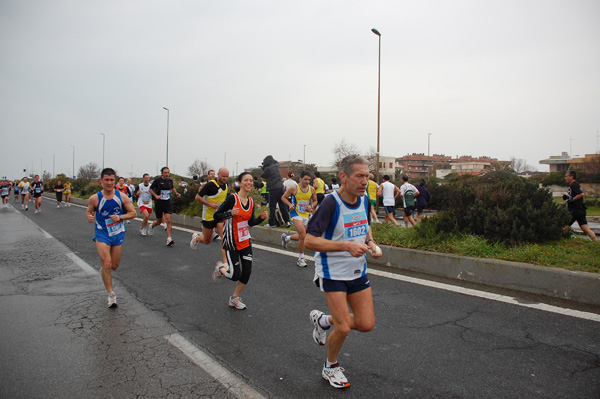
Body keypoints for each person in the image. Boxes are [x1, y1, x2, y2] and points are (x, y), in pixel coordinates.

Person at [304, 155, 381, 389]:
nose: (364, 181)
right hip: (332, 272)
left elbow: (364, 225)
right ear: (344, 176)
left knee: (367, 324)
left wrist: (371, 242)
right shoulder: (330, 203)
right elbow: (309, 240)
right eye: (359, 176)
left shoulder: (365, 200)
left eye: (367, 176)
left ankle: (323, 320)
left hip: (357, 271)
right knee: (344, 327)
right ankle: (331, 366)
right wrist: (346, 246)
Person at [211, 172, 268, 309]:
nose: (249, 183)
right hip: (232, 242)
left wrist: (261, 218)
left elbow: (251, 222)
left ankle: (234, 298)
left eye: (251, 180)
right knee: (235, 275)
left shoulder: (251, 201)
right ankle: (220, 268)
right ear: (240, 183)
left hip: (245, 241)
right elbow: (216, 215)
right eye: (246, 180)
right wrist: (229, 213)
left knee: (247, 272)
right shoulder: (232, 199)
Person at [86, 168, 137, 308]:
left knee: (114, 265)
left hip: (118, 233)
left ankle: (105, 270)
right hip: (102, 233)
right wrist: (89, 216)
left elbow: (133, 213)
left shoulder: (121, 197)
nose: (109, 183)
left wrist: (120, 217)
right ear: (101, 181)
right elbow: (89, 211)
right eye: (106, 180)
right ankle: (111, 295)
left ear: (115, 180)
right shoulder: (95, 198)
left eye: (111, 180)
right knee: (107, 263)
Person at [189, 167, 229, 265]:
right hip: (208, 216)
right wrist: (210, 205)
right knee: (207, 241)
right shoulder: (210, 185)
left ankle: (225, 263)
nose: (225, 178)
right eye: (223, 176)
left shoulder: (226, 186)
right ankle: (197, 238)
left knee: (224, 239)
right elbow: (197, 197)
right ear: (218, 174)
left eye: (227, 177)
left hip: (219, 216)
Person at [280, 171, 318, 267]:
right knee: (302, 234)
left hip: (305, 214)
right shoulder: (294, 188)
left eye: (309, 179)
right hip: (295, 213)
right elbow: (283, 198)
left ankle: (286, 238)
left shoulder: (312, 189)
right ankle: (301, 259)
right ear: (300, 179)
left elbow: (315, 201)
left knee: (304, 236)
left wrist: (311, 206)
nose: (307, 181)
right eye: (305, 179)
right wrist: (289, 205)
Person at [148, 167, 181, 246]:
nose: (166, 174)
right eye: (165, 173)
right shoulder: (157, 181)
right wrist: (156, 196)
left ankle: (169, 238)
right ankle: (151, 225)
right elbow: (150, 189)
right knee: (159, 221)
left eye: (168, 173)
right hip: (159, 203)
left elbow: (172, 188)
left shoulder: (170, 181)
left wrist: (176, 193)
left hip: (167, 202)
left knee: (168, 220)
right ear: (162, 173)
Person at [563, 170, 598, 241]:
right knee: (585, 228)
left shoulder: (574, 185)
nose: (565, 178)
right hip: (580, 210)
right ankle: (596, 242)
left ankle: (560, 241)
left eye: (566, 176)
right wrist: (567, 198)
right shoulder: (574, 185)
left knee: (565, 226)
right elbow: (574, 196)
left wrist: (572, 200)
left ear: (571, 177)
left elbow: (581, 194)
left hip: (574, 210)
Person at [261, 155, 290, 228]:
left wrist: (263, 168)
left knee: (272, 207)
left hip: (273, 189)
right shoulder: (277, 165)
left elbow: (263, 175)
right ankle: (287, 221)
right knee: (282, 206)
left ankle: (272, 223)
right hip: (280, 188)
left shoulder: (268, 168)